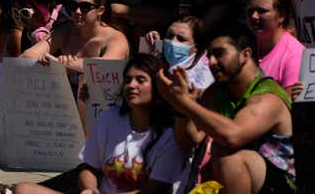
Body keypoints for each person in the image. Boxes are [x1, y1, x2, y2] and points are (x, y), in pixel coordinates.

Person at [15, 54, 189, 194]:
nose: (131, 85)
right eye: (127, 80)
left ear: (157, 87)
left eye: (140, 80)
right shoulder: (111, 117)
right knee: (23, 189)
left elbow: (153, 190)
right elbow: (88, 167)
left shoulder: (169, 135)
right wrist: (90, 188)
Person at [158, 33, 295, 193]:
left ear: (245, 54)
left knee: (227, 156)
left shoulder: (269, 97)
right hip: (249, 180)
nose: (211, 62)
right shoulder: (217, 92)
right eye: (209, 56)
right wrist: (180, 109)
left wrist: (185, 103)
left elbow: (232, 136)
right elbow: (188, 139)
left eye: (219, 53)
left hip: (284, 186)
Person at [22, 0, 129, 72]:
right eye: (73, 6)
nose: (77, 11)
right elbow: (26, 56)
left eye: (85, 7)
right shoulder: (65, 31)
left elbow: (107, 67)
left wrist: (65, 64)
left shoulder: (115, 39)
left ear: (100, 10)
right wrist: (43, 60)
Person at [246, 0, 304, 97]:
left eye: (261, 11)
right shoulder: (244, 45)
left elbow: (287, 106)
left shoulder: (293, 55)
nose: (254, 16)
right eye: (251, 10)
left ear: (281, 15)